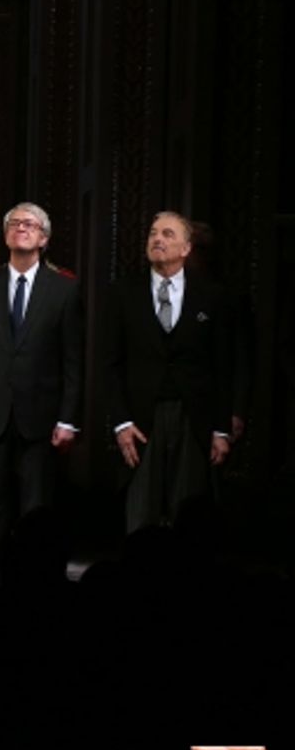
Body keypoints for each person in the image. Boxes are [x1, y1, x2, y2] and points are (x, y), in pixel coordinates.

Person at [0, 202, 82, 579]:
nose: (20, 228)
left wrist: (69, 419)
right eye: (14, 223)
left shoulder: (64, 289)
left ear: (44, 238)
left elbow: (73, 360)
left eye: (30, 224)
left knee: (35, 513)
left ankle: (34, 586)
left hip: (41, 419)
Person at [104, 210, 232, 532]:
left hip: (193, 417)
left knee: (187, 516)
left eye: (167, 234)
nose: (157, 239)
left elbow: (223, 366)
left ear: (186, 248)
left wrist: (221, 428)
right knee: (141, 516)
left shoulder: (211, 296)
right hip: (140, 419)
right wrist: (121, 422)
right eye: (153, 233)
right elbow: (110, 364)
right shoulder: (123, 293)